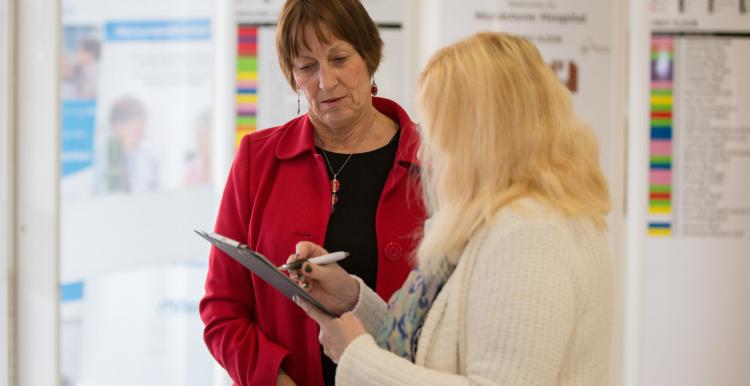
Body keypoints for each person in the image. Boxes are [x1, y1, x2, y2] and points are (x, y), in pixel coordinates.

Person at [293, 32, 614, 385]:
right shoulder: (504, 217)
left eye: (437, 129)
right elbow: (435, 343)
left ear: (479, 134)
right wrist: (353, 299)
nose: (426, 149)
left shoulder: (531, 234)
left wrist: (357, 358)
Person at [198, 1, 426, 385]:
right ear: (292, 77)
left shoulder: (434, 162)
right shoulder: (258, 159)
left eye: (339, 58)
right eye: (307, 67)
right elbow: (222, 308)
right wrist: (275, 378)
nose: (326, 81)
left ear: (369, 56)